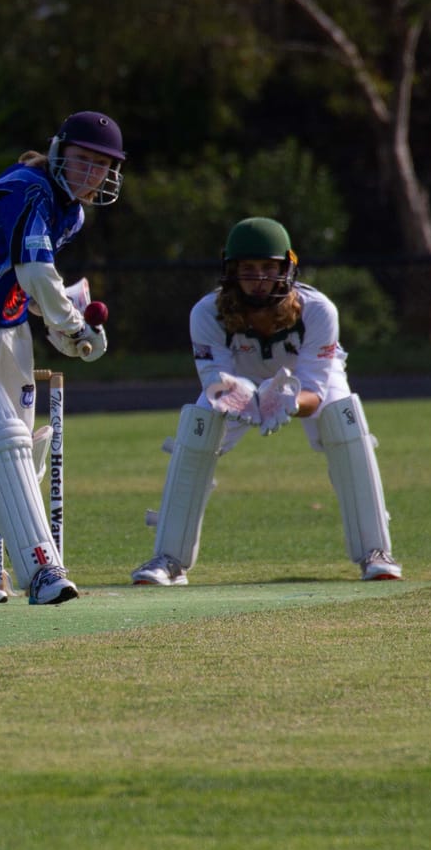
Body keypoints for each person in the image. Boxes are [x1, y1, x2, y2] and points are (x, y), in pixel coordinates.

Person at [0, 111, 125, 606]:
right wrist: (72, 323)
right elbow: (34, 267)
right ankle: (43, 570)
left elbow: (24, 283)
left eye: (102, 165)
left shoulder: (69, 213)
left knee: (22, 453)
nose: (90, 173)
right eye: (82, 160)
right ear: (58, 152)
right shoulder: (28, 188)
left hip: (9, 331)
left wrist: (65, 329)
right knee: (3, 438)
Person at [133, 216, 402, 587]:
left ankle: (376, 552)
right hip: (236, 380)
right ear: (231, 271)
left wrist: (287, 403)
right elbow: (217, 383)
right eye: (248, 269)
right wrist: (250, 400)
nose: (259, 279)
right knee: (200, 427)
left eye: (267, 269)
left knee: (344, 420)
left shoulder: (318, 311)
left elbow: (317, 390)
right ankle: (169, 558)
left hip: (300, 382)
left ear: (285, 269)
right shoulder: (207, 313)